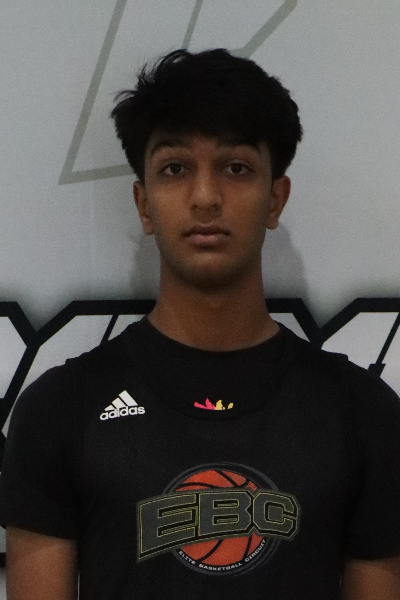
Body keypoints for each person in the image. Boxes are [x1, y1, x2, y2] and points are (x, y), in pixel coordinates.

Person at [1, 48, 400, 600]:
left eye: (236, 168)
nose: (206, 197)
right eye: (175, 168)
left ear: (275, 199)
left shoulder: (364, 414)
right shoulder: (58, 411)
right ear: (144, 203)